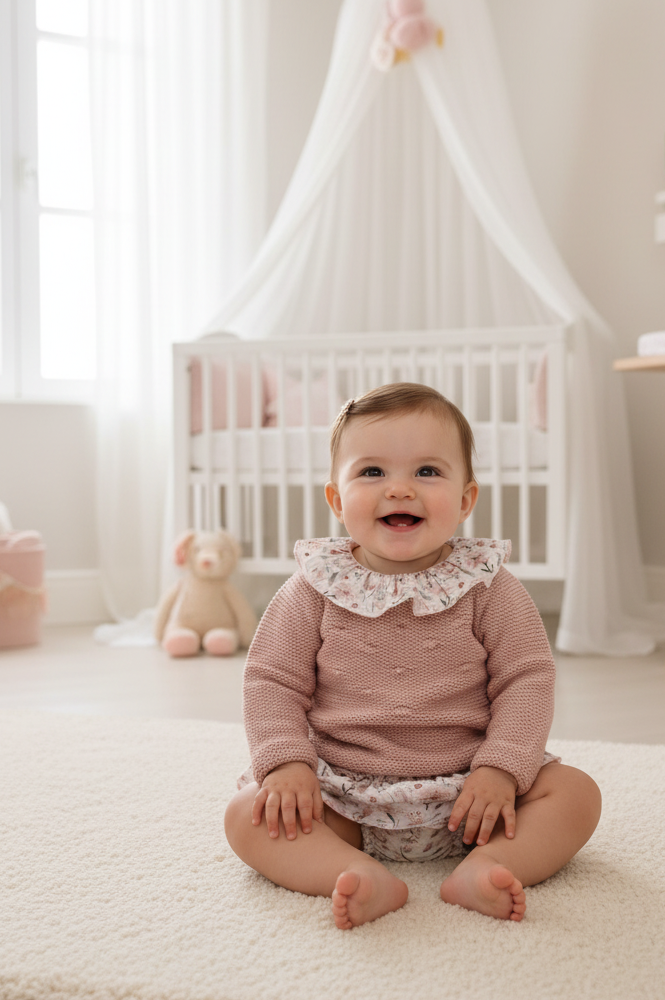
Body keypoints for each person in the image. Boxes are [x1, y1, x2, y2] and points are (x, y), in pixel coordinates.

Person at [224, 382, 601, 929]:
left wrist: (502, 769)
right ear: (335, 499)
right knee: (247, 815)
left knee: (576, 795)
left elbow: (527, 679)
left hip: (470, 799)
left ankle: (487, 865)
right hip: (343, 795)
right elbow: (271, 681)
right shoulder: (313, 587)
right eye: (372, 472)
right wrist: (286, 764)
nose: (399, 489)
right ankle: (350, 870)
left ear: (467, 500)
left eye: (427, 472)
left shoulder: (488, 586)